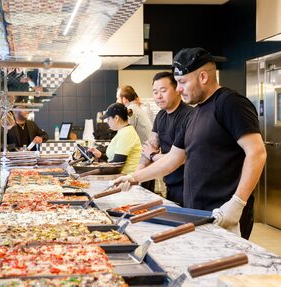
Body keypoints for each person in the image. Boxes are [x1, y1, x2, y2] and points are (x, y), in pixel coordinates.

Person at [114, 47, 266, 239]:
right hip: (197, 211)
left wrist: (237, 203)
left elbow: (257, 152)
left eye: (182, 82)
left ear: (203, 77)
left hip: (225, 212)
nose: (178, 89)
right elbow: (173, 160)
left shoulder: (230, 103)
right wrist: (134, 178)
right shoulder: (194, 115)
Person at [137, 72, 193, 206]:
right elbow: (149, 147)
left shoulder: (189, 116)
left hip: (188, 186)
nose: (158, 96)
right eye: (155, 92)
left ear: (177, 90)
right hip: (170, 183)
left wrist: (154, 155)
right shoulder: (161, 116)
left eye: (163, 91)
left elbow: (180, 159)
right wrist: (136, 176)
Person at [116, 86, 155, 191]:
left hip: (144, 158)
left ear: (124, 99)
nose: (116, 101)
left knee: (143, 193)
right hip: (148, 156)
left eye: (117, 98)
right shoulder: (137, 109)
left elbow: (127, 133)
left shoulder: (131, 111)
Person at [89, 103, 141, 175]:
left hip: (127, 177)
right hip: (121, 175)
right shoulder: (123, 131)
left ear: (116, 118)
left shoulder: (126, 133)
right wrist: (101, 155)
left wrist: (94, 169)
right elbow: (116, 157)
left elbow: (117, 164)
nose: (107, 122)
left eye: (108, 119)